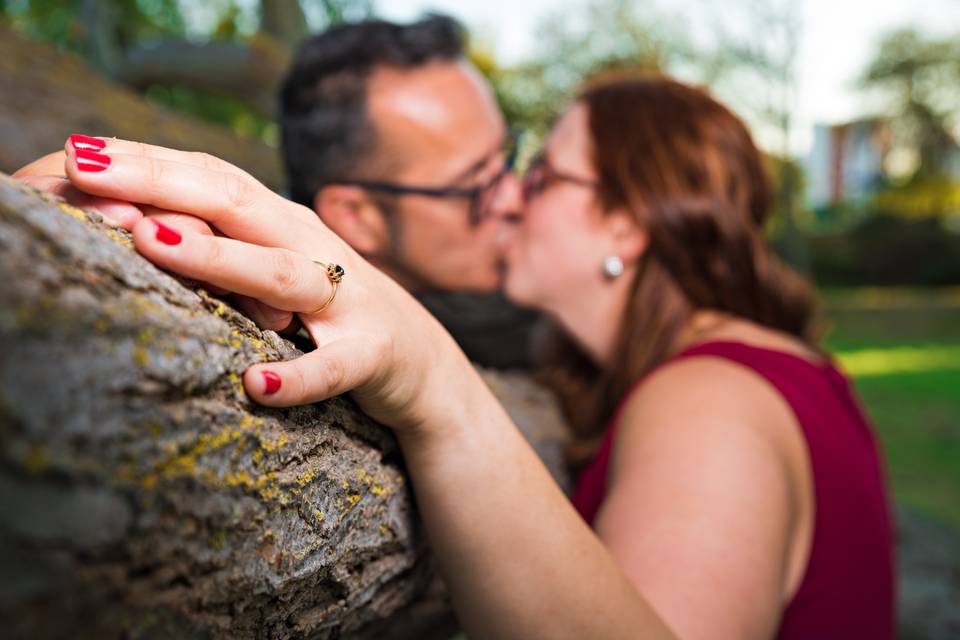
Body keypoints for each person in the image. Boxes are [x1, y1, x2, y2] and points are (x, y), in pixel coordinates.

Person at [45, 72, 894, 638]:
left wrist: (434, 381)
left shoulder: (710, 398)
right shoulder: (751, 370)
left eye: (545, 175)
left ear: (626, 224)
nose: (512, 196)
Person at [13, 14, 538, 367]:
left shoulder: (537, 308)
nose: (516, 198)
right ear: (357, 216)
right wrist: (58, 204)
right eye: (480, 185)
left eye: (508, 158)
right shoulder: (280, 319)